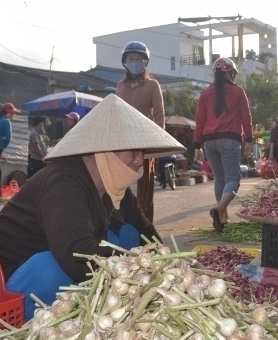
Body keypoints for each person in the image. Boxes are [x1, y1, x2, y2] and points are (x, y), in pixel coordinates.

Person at [0, 94, 185, 320]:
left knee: (128, 233)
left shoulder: (114, 187)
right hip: (17, 276)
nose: (139, 160)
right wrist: (138, 266)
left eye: (142, 153)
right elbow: (77, 254)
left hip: (60, 255)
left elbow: (145, 230)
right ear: (104, 150)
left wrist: (169, 263)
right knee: (53, 269)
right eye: (133, 151)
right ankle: (33, 325)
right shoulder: (64, 182)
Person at [194, 57, 253, 233]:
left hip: (209, 142)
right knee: (233, 179)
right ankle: (220, 209)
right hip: (230, 140)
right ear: (231, 73)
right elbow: (246, 118)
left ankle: (223, 217)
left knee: (220, 179)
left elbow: (200, 121)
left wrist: (197, 146)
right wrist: (249, 140)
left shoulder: (205, 93)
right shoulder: (238, 92)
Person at [116, 41, 165, 223]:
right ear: (125, 61)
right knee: (119, 183)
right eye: (131, 59)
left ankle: (145, 225)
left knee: (146, 186)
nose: (134, 62)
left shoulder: (152, 85)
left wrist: (159, 142)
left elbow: (159, 114)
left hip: (146, 140)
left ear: (145, 62)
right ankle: (120, 221)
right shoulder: (120, 86)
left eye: (138, 59)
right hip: (122, 141)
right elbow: (115, 113)